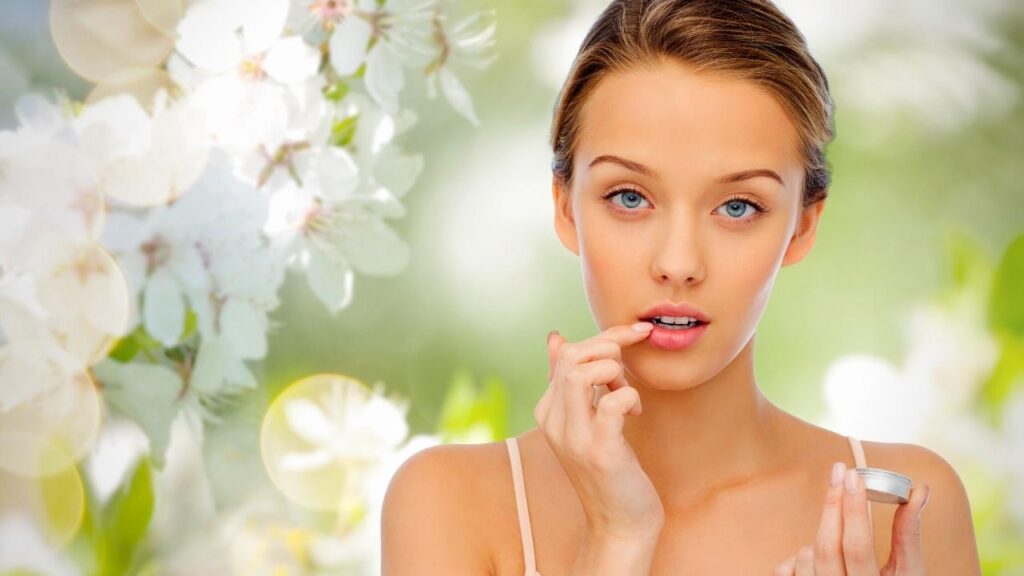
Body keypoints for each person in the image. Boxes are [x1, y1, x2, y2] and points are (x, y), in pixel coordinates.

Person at [381, 0, 982, 574]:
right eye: (629, 197)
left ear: (803, 225)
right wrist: (618, 536)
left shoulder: (902, 509)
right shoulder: (449, 504)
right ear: (565, 208)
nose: (678, 263)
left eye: (739, 207)